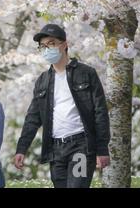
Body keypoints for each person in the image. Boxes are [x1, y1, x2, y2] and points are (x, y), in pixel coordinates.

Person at [14, 24, 111, 188]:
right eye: (43, 46)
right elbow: (32, 118)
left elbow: (100, 112)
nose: (47, 49)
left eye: (51, 43)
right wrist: (21, 149)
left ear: (64, 44)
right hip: (56, 149)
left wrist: (102, 150)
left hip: (80, 146)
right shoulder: (43, 81)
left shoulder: (86, 73)